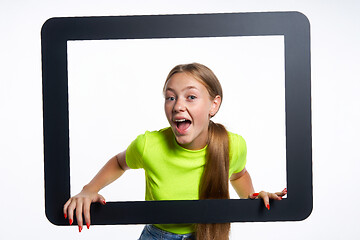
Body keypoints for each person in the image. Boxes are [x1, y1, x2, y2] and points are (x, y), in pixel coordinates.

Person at [63, 63, 287, 240]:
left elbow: (238, 174)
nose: (177, 105)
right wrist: (88, 189)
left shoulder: (233, 145)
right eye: (170, 97)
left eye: (190, 97)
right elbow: (120, 162)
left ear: (213, 105)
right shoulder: (149, 144)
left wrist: (253, 198)